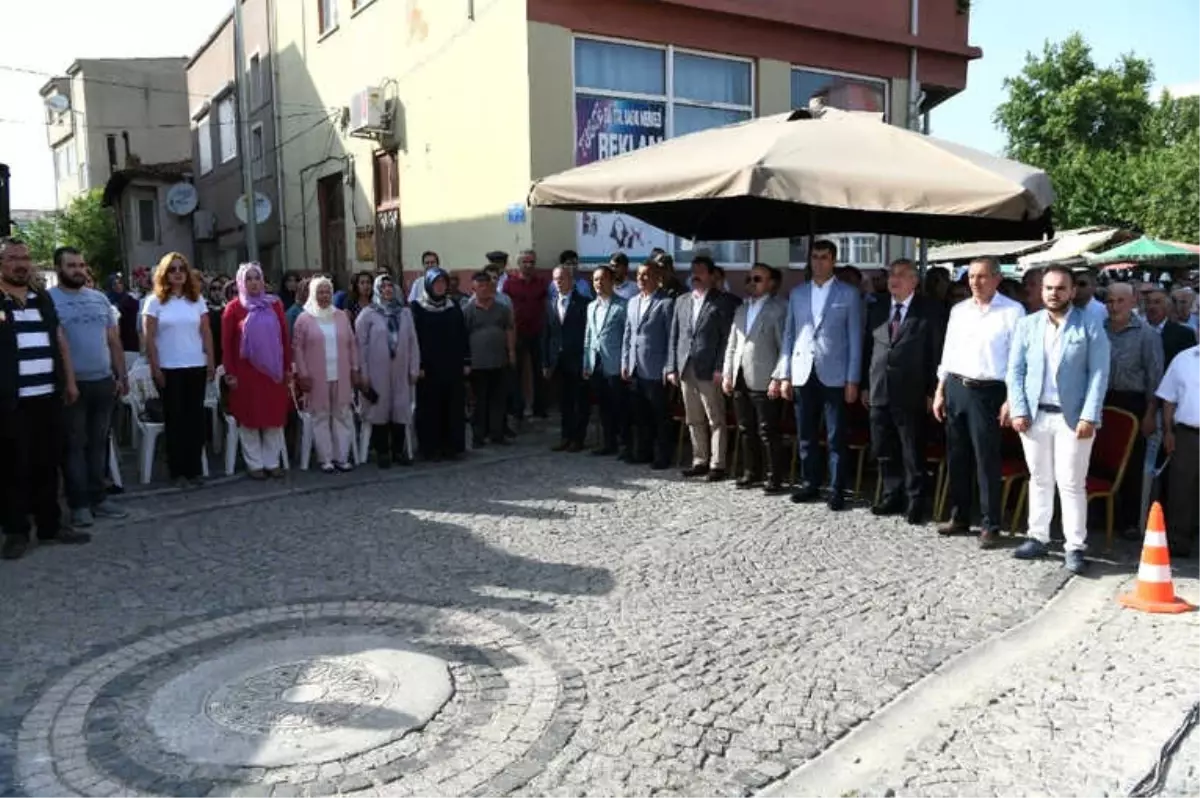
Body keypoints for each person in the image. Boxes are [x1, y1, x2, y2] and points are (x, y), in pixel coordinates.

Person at [1007, 265, 1110, 574]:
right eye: (1049, 288)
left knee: (1071, 482)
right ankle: (1037, 536)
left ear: (1072, 291)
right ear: (1041, 291)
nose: (1054, 293)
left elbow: (1099, 373)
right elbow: (1015, 371)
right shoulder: (1028, 325)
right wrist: (1019, 409)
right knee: (1039, 478)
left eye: (1060, 288)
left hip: (1073, 417)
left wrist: (1090, 415)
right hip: (1036, 415)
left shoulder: (1090, 325)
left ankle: (1074, 546)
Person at [0, 238, 87, 560]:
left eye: (24, 258)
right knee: (13, 467)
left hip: (48, 395)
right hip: (11, 401)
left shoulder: (41, 298)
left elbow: (59, 338)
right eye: (12, 259)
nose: (20, 264)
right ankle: (16, 531)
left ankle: (50, 525)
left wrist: (69, 380)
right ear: (2, 263)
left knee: (48, 462)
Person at [932, 256, 1025, 548]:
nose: (975, 282)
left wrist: (1011, 398)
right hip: (957, 385)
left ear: (997, 278)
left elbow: (1016, 360)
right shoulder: (959, 310)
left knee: (986, 459)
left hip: (989, 391)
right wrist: (940, 389)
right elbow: (949, 352)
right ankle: (960, 516)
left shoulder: (1013, 311)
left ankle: (990, 523)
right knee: (957, 455)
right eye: (971, 277)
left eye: (982, 276)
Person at [772, 240, 863, 512]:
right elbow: (789, 334)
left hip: (835, 374)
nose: (819, 262)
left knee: (836, 436)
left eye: (824, 257)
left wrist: (853, 379)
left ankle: (837, 489)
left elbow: (855, 337)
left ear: (833, 260)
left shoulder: (848, 293)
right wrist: (784, 374)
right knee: (806, 435)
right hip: (802, 372)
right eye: (814, 257)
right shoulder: (798, 293)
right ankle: (809, 483)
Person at [862, 258, 946, 524]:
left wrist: (933, 390)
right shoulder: (878, 309)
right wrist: (865, 385)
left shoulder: (930, 310)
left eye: (900, 274)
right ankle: (891, 494)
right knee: (884, 447)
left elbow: (937, 353)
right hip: (879, 390)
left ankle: (916, 501)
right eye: (890, 274)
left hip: (912, 391)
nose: (893, 279)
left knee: (911, 449)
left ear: (914, 281)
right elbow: (869, 349)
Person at [50, 247, 130, 527]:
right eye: (71, 265)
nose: (78, 270)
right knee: (73, 446)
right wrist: (68, 382)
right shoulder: (48, 301)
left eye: (82, 265)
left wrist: (122, 375)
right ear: (58, 269)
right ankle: (79, 504)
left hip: (103, 382)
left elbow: (113, 340)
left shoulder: (99, 299)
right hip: (72, 386)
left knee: (98, 444)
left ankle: (99, 497)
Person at [143, 252, 214, 488]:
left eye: (181, 269)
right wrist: (155, 368)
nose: (177, 273)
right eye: (172, 269)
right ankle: (178, 472)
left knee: (195, 420)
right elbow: (149, 338)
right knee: (175, 421)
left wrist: (211, 361)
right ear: (164, 273)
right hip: (169, 368)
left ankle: (194, 470)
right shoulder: (154, 302)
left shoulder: (197, 300)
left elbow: (205, 332)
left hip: (195, 365)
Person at [667, 255, 741, 481]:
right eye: (693, 270)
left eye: (701, 270)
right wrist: (672, 366)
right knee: (693, 417)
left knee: (715, 417)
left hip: (710, 369)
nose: (696, 275)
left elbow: (727, 337)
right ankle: (699, 460)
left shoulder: (724, 301)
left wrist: (721, 367)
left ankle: (718, 464)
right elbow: (675, 336)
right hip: (686, 367)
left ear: (711, 275)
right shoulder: (682, 300)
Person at [722, 263, 788, 494]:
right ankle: (752, 472)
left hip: (764, 377)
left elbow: (784, 347)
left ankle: (774, 476)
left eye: (757, 279)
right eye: (749, 279)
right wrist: (727, 373)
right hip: (740, 376)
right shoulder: (741, 308)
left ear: (771, 283)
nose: (751, 283)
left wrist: (778, 377)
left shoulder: (779, 309)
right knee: (744, 428)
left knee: (767, 430)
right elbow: (732, 344)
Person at [1104, 282, 1163, 537]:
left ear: (1132, 302)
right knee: (1101, 459)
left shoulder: (1147, 334)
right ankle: (1100, 514)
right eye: (1110, 301)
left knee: (1131, 463)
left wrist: (1150, 413)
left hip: (1134, 402)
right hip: (1103, 399)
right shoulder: (1099, 329)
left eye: (1120, 301)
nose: (1114, 306)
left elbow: (1155, 376)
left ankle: (1128, 521)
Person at [222, 263, 291, 478]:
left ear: (263, 281)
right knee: (250, 419)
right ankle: (255, 464)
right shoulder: (233, 308)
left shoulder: (275, 305)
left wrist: (288, 367)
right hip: (245, 373)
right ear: (241, 283)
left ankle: (272, 462)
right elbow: (226, 344)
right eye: (248, 279)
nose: (253, 282)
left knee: (273, 417)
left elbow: (284, 339)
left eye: (257, 278)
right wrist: (230, 373)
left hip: (273, 374)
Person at [293, 276, 358, 473]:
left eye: (327, 292)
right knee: (320, 416)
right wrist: (302, 374)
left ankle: (341, 457)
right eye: (320, 292)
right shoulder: (304, 319)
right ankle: (326, 458)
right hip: (316, 376)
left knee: (342, 415)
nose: (324, 295)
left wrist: (355, 368)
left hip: (341, 374)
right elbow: (297, 349)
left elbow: (351, 344)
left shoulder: (340, 316)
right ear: (313, 294)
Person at [356, 274, 420, 467]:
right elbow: (360, 346)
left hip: (400, 370)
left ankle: (398, 451)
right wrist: (363, 373)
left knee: (400, 408)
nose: (387, 290)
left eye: (390, 286)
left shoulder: (404, 313)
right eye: (382, 287)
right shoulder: (368, 314)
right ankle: (382, 451)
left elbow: (413, 342)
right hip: (376, 371)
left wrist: (414, 367)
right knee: (379, 409)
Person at [411, 268, 469, 461]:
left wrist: (466, 361)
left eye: (443, 283)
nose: (440, 287)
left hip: (451, 366)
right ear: (428, 285)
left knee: (452, 407)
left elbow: (463, 335)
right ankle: (430, 448)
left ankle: (451, 446)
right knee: (430, 408)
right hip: (428, 369)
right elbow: (413, 339)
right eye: (436, 283)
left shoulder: (452, 306)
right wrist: (417, 365)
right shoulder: (417, 308)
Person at [621, 261, 675, 470]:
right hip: (635, 367)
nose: (642, 279)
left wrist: (668, 367)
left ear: (657, 278)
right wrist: (625, 361)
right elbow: (628, 333)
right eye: (639, 275)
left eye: (646, 275)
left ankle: (663, 455)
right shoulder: (633, 302)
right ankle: (642, 451)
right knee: (640, 413)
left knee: (659, 415)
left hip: (655, 368)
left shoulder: (665, 302)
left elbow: (671, 337)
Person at [463, 271, 516, 447]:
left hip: (499, 362)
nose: (484, 290)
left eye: (487, 286)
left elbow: (509, 329)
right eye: (480, 287)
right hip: (477, 364)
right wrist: (466, 361)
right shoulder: (468, 310)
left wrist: (511, 352)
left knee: (498, 400)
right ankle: (478, 437)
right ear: (474, 289)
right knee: (479, 403)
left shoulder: (502, 309)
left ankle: (497, 434)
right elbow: (463, 336)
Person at [543, 265, 591, 452]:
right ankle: (566, 436)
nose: (559, 282)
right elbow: (546, 334)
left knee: (580, 401)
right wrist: (546, 362)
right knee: (564, 402)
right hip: (558, 360)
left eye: (562, 278)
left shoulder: (584, 303)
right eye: (556, 279)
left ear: (571, 281)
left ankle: (578, 438)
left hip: (577, 358)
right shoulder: (550, 303)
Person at [1159, 343, 1200, 558]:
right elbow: (1168, 399)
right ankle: (1179, 542)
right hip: (1187, 434)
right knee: (1181, 489)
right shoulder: (1183, 359)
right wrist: (1168, 431)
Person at [583, 266, 628, 456]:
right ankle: (609, 443)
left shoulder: (623, 305)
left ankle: (626, 444)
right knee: (603, 406)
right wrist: (586, 363)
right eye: (595, 280)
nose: (598, 284)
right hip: (596, 362)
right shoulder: (591, 306)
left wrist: (626, 363)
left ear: (611, 281)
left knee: (620, 406)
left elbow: (628, 336)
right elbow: (588, 335)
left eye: (602, 279)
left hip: (615, 362)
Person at [503, 249, 550, 420]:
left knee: (540, 370)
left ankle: (540, 407)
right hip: (517, 332)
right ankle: (517, 409)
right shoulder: (510, 283)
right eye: (525, 262)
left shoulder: (542, 282)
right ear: (519, 264)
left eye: (532, 262)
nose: (529, 265)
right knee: (516, 371)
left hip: (538, 331)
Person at [105, 273, 141, 364]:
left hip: (132, 344)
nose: (118, 286)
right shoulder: (107, 303)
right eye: (114, 284)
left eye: (120, 283)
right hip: (116, 345)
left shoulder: (132, 301)